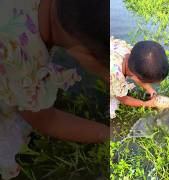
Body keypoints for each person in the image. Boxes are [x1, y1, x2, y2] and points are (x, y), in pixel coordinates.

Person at [0, 0, 108, 179]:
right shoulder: (21, 58)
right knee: (13, 135)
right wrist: (106, 133)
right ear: (83, 55)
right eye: (105, 72)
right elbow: (46, 120)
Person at [110, 37, 169, 119]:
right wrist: (146, 104)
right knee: (113, 106)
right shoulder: (115, 77)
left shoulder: (132, 53)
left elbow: (136, 74)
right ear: (135, 77)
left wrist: (149, 89)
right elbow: (123, 99)